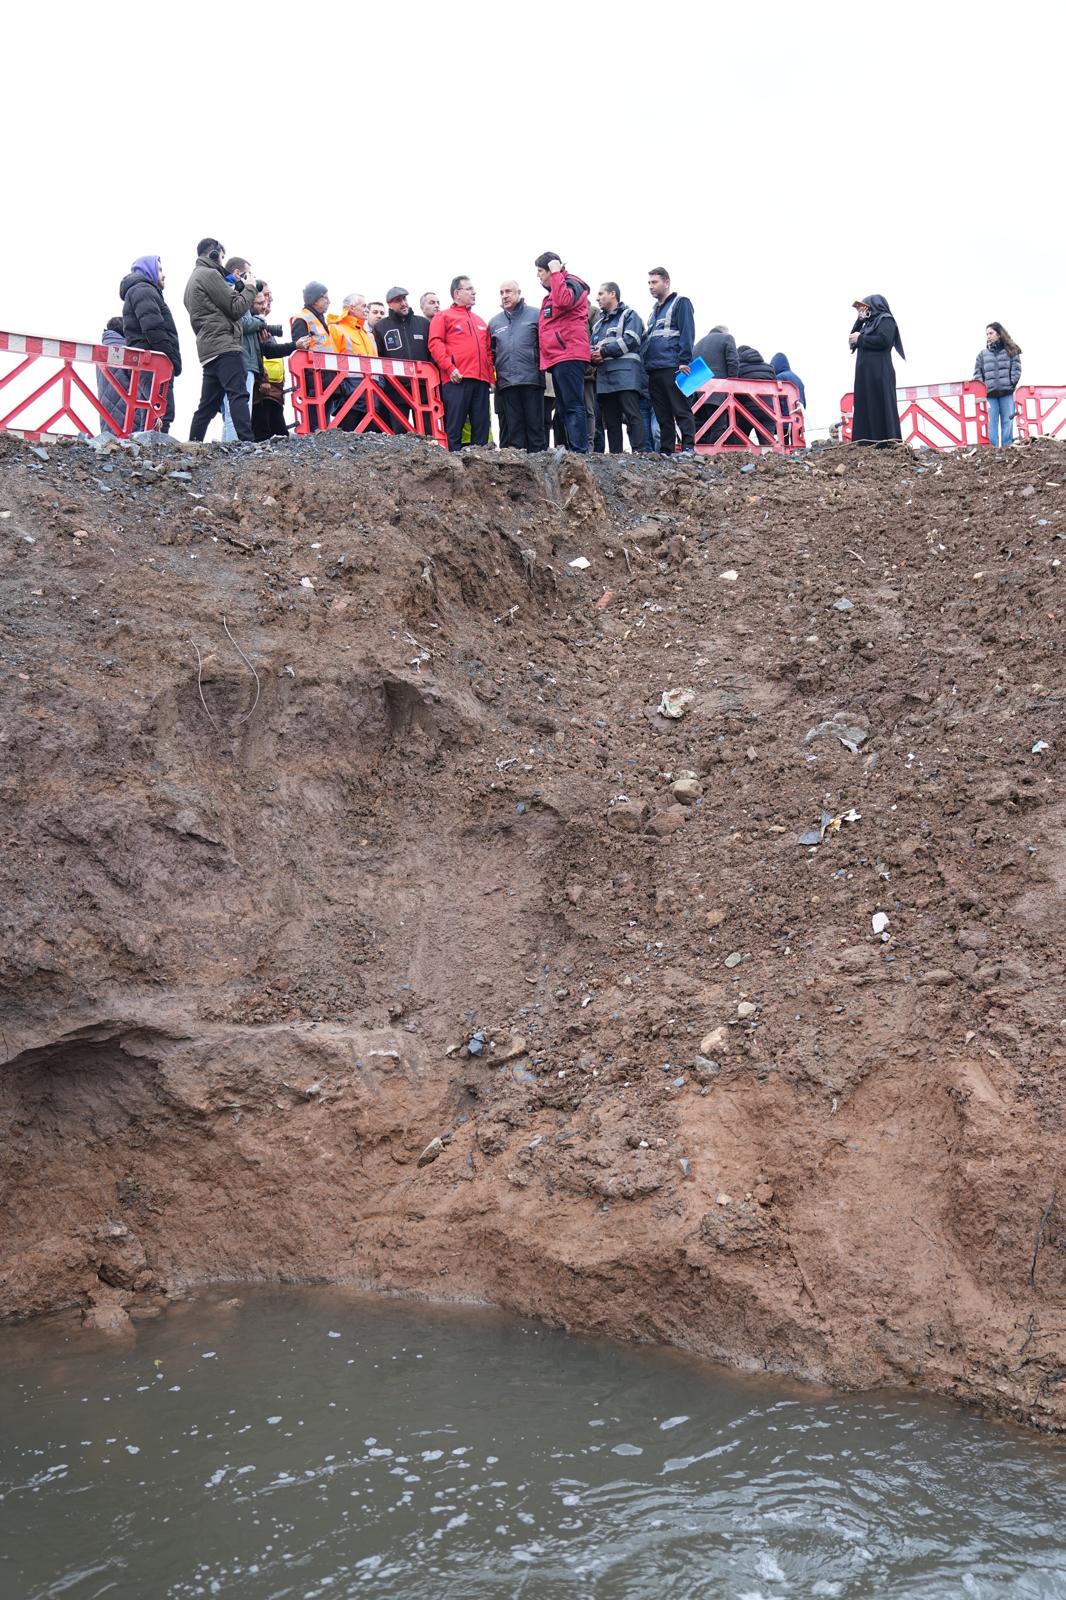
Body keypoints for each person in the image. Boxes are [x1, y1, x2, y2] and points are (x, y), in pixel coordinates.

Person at [184, 238, 260, 443]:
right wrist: (251, 288)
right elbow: (235, 309)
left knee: (207, 405)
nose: (222, 262)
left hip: (209, 349)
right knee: (238, 393)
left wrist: (237, 287)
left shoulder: (192, 280)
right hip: (225, 346)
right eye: (221, 257)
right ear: (214, 254)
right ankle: (247, 442)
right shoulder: (209, 275)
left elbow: (216, 308)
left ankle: (193, 442)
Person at [534, 251, 591, 452]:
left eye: (541, 271)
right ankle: (571, 448)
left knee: (573, 404)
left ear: (552, 269)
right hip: (558, 356)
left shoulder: (573, 284)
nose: (538, 276)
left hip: (569, 353)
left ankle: (580, 450)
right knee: (565, 406)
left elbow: (564, 301)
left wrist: (557, 273)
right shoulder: (552, 292)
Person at [428, 276, 493, 450]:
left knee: (481, 428)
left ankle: (480, 465)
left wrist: (491, 379)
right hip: (457, 379)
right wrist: (450, 368)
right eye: (469, 289)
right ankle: (453, 468)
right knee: (454, 427)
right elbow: (435, 343)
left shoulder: (480, 321)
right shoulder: (443, 316)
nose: (474, 292)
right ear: (457, 293)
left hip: (481, 381)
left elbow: (487, 352)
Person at [120, 254, 182, 433]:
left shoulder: (143, 290)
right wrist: (169, 358)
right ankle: (153, 454)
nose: (164, 274)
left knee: (151, 411)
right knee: (160, 411)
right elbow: (153, 327)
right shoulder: (143, 290)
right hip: (152, 361)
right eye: (160, 269)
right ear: (149, 270)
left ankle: (147, 454)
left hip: (148, 361)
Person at [643, 267, 696, 456]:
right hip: (654, 368)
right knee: (662, 414)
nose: (650, 286)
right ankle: (667, 450)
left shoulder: (680, 303)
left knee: (680, 408)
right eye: (649, 282)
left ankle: (689, 447)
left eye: (654, 282)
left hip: (672, 365)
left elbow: (687, 332)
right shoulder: (654, 312)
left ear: (666, 282)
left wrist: (684, 361)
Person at [249, 284, 310, 441]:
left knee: (278, 434)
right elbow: (266, 352)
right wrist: (262, 379)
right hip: (262, 389)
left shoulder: (259, 324)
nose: (269, 301)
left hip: (273, 388)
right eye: (265, 296)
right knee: (265, 433)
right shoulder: (252, 324)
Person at [489, 280, 543, 452]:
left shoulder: (536, 315)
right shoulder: (494, 323)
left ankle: (540, 465)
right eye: (501, 292)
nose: (505, 296)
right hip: (507, 383)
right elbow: (491, 353)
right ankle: (521, 471)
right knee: (515, 430)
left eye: (508, 291)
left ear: (518, 292)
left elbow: (546, 345)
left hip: (532, 379)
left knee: (535, 427)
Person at [590, 283, 645, 453]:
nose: (597, 298)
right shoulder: (598, 325)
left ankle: (639, 453)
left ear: (613, 294)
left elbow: (632, 340)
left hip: (626, 377)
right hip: (605, 379)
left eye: (601, 294)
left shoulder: (629, 315)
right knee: (611, 421)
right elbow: (592, 347)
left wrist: (604, 351)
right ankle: (615, 457)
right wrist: (593, 355)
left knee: (632, 416)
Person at [848, 295, 904, 445]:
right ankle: (866, 442)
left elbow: (884, 341)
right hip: (865, 374)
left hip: (880, 373)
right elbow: (852, 338)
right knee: (865, 405)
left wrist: (861, 339)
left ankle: (887, 442)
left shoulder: (886, 319)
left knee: (881, 405)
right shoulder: (867, 324)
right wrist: (859, 321)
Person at [221, 257, 262, 441]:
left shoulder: (224, 290)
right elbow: (243, 322)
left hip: (233, 358)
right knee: (237, 412)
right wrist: (260, 322)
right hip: (239, 359)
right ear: (238, 273)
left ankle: (227, 453)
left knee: (231, 413)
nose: (252, 279)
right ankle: (234, 453)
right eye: (249, 274)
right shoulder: (235, 293)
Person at [289, 282, 334, 430]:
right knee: (315, 423)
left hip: (327, 379)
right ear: (315, 299)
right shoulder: (302, 319)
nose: (329, 301)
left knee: (324, 422)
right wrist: (309, 381)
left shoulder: (320, 320)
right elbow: (300, 352)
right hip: (314, 380)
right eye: (325, 298)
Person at [975, 322, 1022, 446]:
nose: (988, 336)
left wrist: (1011, 384)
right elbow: (977, 374)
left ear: (999, 334)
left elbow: (1016, 370)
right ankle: (993, 448)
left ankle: (1007, 447)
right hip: (989, 395)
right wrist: (983, 388)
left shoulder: (1011, 351)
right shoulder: (982, 355)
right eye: (987, 334)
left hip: (1007, 393)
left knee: (1008, 421)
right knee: (991, 422)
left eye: (991, 333)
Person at [692, 324, 739, 445]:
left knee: (702, 427)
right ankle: (713, 454)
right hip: (718, 391)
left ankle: (701, 454)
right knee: (719, 426)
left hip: (698, 394)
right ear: (725, 332)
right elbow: (732, 362)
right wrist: (732, 386)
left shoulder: (697, 344)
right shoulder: (727, 338)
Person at [734, 345, 778, 445]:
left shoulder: (739, 368)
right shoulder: (769, 368)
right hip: (769, 410)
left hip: (747, 410)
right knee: (768, 446)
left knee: (739, 443)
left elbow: (736, 392)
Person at [97, 316, 130, 435]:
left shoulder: (101, 351)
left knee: (111, 442)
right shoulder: (125, 351)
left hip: (106, 406)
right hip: (127, 407)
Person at [771, 351, 806, 445]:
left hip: (785, 419)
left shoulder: (779, 377)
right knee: (798, 447)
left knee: (785, 448)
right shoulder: (797, 378)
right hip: (798, 419)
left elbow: (776, 399)